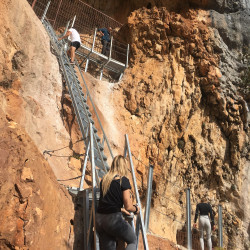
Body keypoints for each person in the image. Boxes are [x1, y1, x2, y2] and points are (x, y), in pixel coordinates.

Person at [96, 155, 139, 250]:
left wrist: (120, 209)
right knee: (133, 241)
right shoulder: (123, 180)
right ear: (124, 166)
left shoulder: (104, 180)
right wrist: (136, 209)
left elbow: (108, 201)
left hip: (100, 220)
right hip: (112, 220)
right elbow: (128, 205)